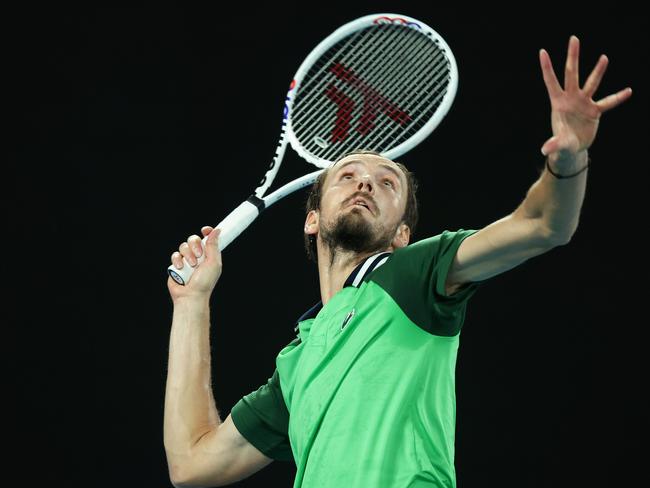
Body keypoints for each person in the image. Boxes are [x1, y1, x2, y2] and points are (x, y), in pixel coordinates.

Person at [163, 36, 631, 487]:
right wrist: (192, 302)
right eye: (347, 175)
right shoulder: (297, 362)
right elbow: (191, 463)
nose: (365, 183)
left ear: (403, 236)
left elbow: (544, 224)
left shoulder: (412, 277)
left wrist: (569, 159)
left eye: (387, 183)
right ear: (312, 219)